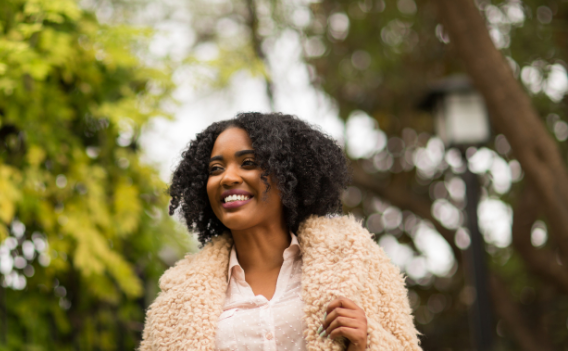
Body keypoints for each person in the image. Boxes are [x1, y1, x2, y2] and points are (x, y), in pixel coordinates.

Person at [140, 113, 421, 351]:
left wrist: (367, 341)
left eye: (248, 163)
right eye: (215, 169)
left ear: (287, 175)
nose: (227, 177)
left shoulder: (355, 258)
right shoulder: (177, 299)